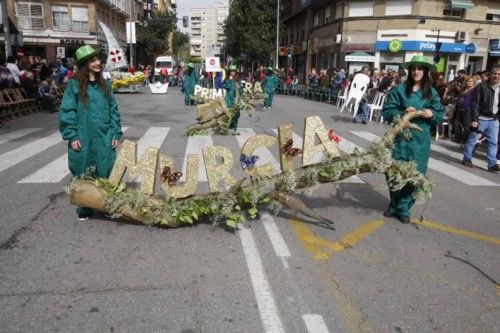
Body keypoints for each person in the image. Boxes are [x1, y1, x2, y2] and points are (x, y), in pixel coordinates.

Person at [59, 45, 122, 221]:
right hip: (83, 135)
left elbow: (113, 110)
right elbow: (67, 111)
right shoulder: (74, 85)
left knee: (106, 167)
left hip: (104, 134)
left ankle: (104, 204)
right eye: (92, 60)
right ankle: (85, 207)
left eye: (98, 59)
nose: (97, 63)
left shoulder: (105, 85)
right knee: (83, 169)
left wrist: (115, 133)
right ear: (84, 64)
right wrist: (72, 135)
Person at [381, 55, 444, 224]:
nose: (416, 71)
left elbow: (439, 115)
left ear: (425, 71)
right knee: (394, 173)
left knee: (415, 174)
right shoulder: (400, 90)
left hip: (420, 141)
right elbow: (387, 111)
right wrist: (402, 114)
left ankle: (404, 208)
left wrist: (432, 114)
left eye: (420, 68)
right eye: (413, 68)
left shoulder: (431, 92)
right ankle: (393, 205)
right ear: (410, 71)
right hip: (400, 138)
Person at [462, 64, 500, 172]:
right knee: (473, 140)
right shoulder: (482, 86)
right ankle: (467, 158)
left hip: (494, 120)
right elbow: (475, 103)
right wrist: (474, 119)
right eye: (494, 74)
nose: (496, 76)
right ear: (490, 74)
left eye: (499, 74)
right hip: (481, 119)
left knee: (493, 142)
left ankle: (492, 164)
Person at [452, 76, 475, 143]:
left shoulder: (474, 90)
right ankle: (458, 138)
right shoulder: (464, 89)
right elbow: (459, 97)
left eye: (471, 81)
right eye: (468, 81)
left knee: (466, 126)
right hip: (459, 108)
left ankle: (465, 140)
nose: (469, 83)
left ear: (473, 82)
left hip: (468, 109)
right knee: (456, 123)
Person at [224, 65, 239, 132]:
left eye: (234, 71)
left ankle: (234, 127)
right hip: (229, 99)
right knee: (229, 113)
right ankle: (229, 126)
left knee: (237, 114)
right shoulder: (227, 79)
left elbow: (240, 89)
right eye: (231, 71)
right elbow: (226, 86)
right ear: (229, 71)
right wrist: (229, 80)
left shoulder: (237, 79)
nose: (233, 72)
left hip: (236, 99)